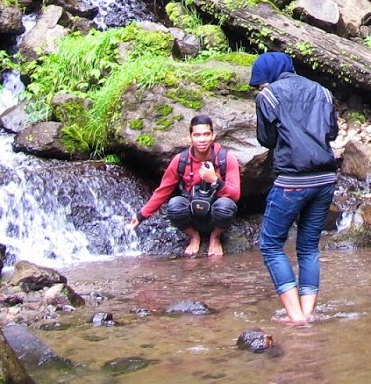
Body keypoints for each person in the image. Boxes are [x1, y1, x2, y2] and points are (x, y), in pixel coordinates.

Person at [251, 51, 339, 327]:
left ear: (268, 77)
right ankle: (308, 313)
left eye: (260, 83)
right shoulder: (323, 92)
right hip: (325, 179)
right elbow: (332, 133)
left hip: (292, 180)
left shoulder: (268, 97)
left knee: (270, 245)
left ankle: (296, 317)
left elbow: (266, 139)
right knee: (309, 247)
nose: (260, 88)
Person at [128, 114, 241, 257]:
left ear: (213, 136)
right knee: (174, 204)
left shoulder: (226, 158)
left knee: (226, 205)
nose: (202, 139)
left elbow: (235, 194)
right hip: (192, 214)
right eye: (197, 135)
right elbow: (163, 191)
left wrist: (215, 181)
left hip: (216, 214)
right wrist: (140, 216)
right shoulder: (180, 160)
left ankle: (215, 237)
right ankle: (193, 236)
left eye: (206, 134)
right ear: (191, 137)